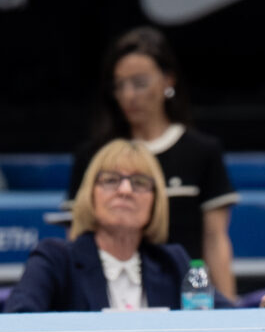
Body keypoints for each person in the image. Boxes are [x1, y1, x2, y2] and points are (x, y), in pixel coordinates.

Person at [65, 27, 239, 296]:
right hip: (111, 297)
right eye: (119, 85)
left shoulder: (201, 151)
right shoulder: (93, 155)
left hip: (186, 298)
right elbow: (78, 235)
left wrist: (229, 308)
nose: (129, 95)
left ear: (168, 80)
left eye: (139, 83)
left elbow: (215, 240)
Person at [7, 140, 192, 311]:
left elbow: (208, 320)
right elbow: (19, 321)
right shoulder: (56, 260)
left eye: (139, 182)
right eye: (111, 180)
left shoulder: (173, 263)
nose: (125, 190)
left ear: (155, 200)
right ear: (90, 194)